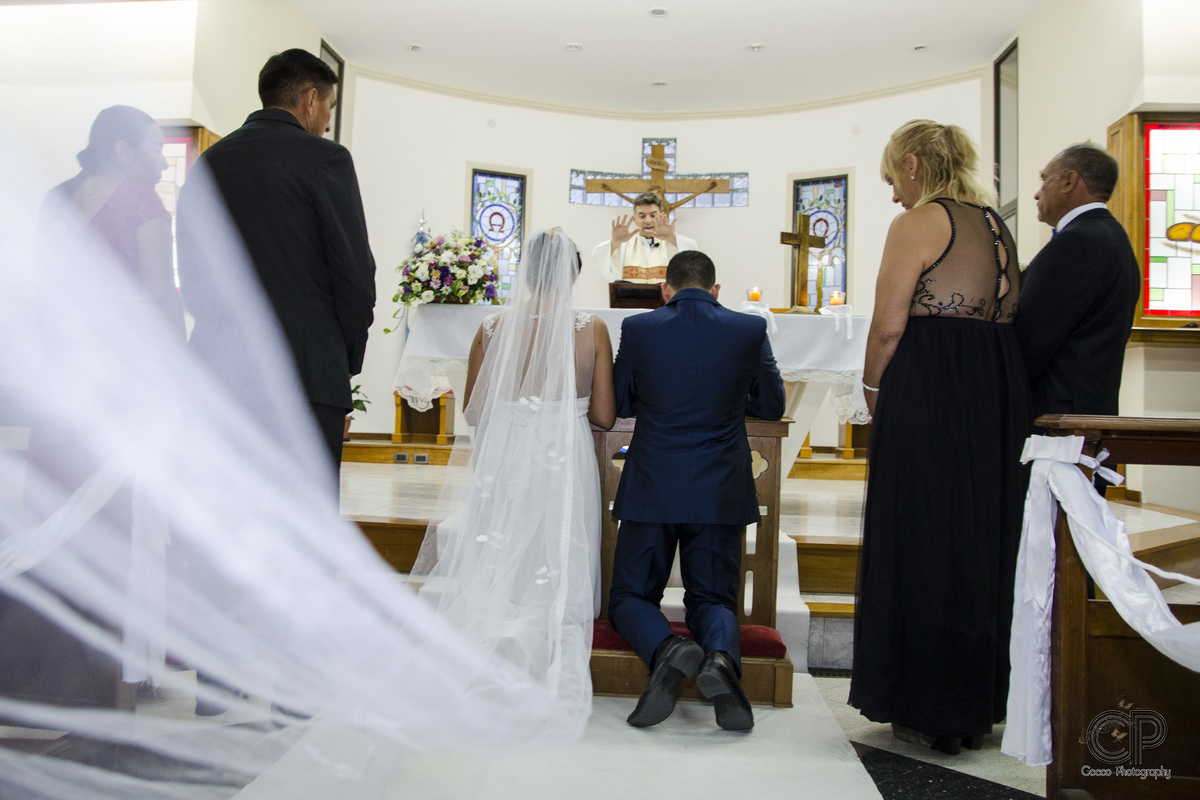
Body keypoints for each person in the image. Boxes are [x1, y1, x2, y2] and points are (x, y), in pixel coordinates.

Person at [848, 119, 1029, 755]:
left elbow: (888, 327)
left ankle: (925, 704)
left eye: (893, 177)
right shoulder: (996, 224)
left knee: (922, 534)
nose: (894, 193)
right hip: (996, 389)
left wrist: (872, 393)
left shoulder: (920, 222)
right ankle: (973, 705)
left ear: (915, 163)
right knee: (978, 541)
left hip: (931, 387)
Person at [412, 229, 615, 728]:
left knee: (501, 544)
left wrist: (517, 410)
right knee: (557, 546)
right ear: (573, 275)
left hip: (504, 454)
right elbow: (605, 416)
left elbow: (474, 411)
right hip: (563, 453)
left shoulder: (491, 327)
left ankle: (493, 653)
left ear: (526, 274)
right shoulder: (591, 329)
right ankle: (547, 654)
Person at [607, 250, 785, 731]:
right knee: (713, 600)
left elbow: (621, 401)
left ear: (665, 290)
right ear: (716, 290)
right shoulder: (750, 328)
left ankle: (668, 649)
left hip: (652, 485)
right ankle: (721, 660)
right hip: (720, 486)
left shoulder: (639, 328)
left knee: (630, 597)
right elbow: (771, 404)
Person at [178, 48, 376, 481]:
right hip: (304, 372)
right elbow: (355, 276)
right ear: (310, 100)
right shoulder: (326, 158)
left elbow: (191, 267)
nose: (327, 122)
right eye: (329, 107)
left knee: (226, 500)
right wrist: (340, 357)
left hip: (220, 367)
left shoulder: (209, 161)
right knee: (303, 510)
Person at [1017, 144, 1140, 422]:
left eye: (1044, 179)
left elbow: (1031, 337)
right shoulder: (1113, 236)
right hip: (1090, 409)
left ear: (1069, 181)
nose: (1037, 193)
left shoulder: (1077, 241)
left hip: (1060, 416)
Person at [44, 105, 183, 336]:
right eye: (157, 149)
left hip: (66, 337)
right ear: (123, 152)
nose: (165, 163)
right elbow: (159, 295)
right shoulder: (141, 200)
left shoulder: (58, 197)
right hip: (125, 342)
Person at [593, 191, 698, 283]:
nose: (648, 221)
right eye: (642, 216)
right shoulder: (623, 245)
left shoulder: (672, 243)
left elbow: (694, 256)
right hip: (630, 299)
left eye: (653, 215)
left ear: (661, 215)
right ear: (634, 219)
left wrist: (672, 238)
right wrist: (615, 242)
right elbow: (599, 256)